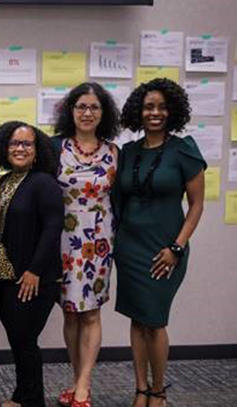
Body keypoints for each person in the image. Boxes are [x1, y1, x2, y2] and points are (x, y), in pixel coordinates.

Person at [115, 78, 205, 407]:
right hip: (129, 247)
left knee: (154, 320)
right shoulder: (128, 152)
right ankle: (140, 388)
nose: (155, 112)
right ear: (138, 111)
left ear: (173, 111)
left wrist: (177, 248)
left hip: (166, 248)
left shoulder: (184, 149)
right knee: (137, 320)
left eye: (162, 107)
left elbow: (196, 205)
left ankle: (159, 390)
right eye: (148, 106)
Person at [52, 82, 120, 407]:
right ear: (71, 111)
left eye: (94, 107)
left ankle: (83, 386)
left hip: (98, 242)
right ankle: (78, 377)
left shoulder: (114, 152)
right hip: (63, 239)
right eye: (81, 107)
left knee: (90, 313)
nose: (87, 113)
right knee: (70, 314)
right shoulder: (55, 148)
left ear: (103, 113)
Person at [0, 121, 64, 407]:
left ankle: (32, 401)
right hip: (3, 276)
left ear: (37, 150)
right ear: (4, 149)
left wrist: (35, 270)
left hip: (32, 278)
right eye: (14, 144)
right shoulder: (3, 181)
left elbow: (53, 228)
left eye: (26, 144)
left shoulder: (43, 182)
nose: (20, 149)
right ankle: (22, 396)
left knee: (25, 339)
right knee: (18, 340)